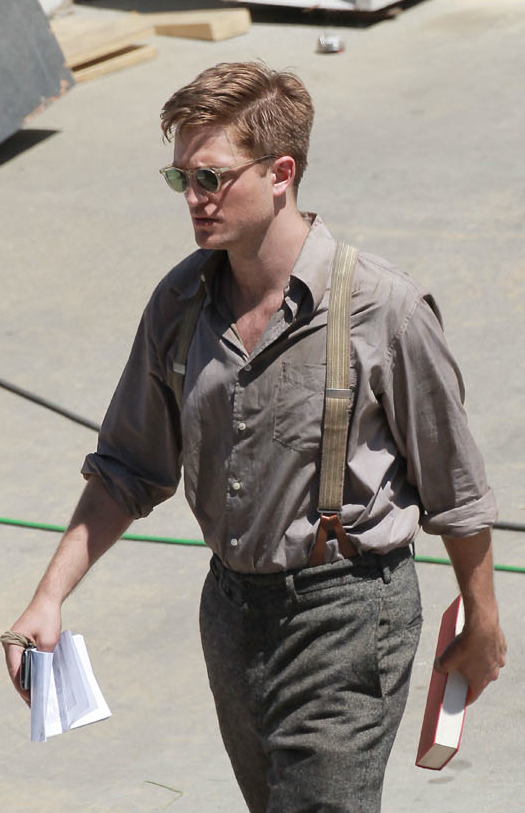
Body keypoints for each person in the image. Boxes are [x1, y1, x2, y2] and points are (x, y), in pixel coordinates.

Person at [3, 62, 506, 812]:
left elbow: (455, 487)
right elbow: (125, 468)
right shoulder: (179, 303)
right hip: (232, 613)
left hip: (346, 615)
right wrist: (47, 600)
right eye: (181, 179)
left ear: (281, 173)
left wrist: (482, 618)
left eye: (210, 177)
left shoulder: (382, 309)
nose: (194, 199)